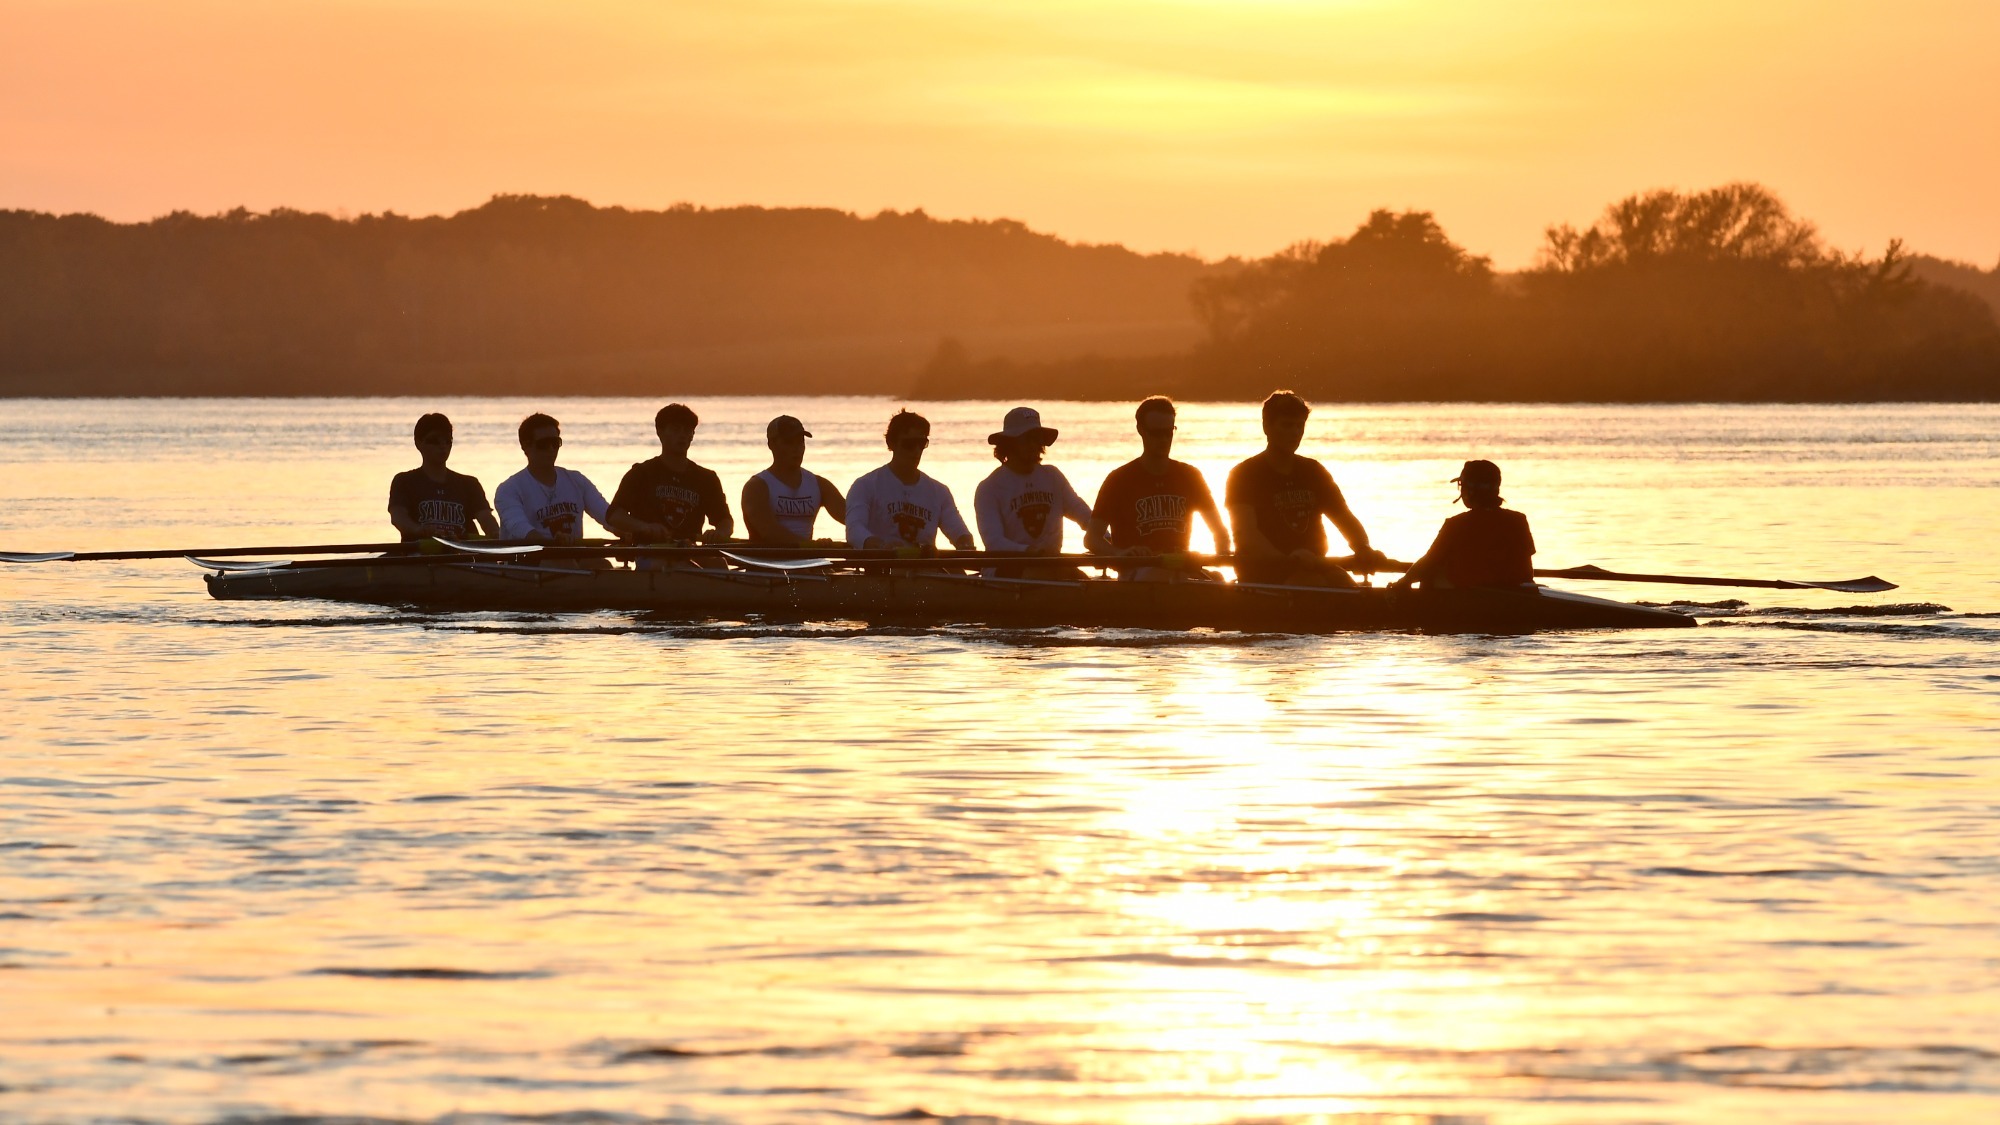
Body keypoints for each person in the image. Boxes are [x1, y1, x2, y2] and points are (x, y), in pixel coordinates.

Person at [1225, 390, 1387, 586]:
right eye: (1287, 425)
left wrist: (1363, 548)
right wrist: (1289, 561)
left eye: (1299, 426)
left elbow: (1344, 517)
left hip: (1315, 566)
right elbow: (1246, 537)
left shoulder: (1314, 471)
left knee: (1344, 583)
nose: (1295, 433)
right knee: (1314, 583)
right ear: (1266, 426)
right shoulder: (1244, 474)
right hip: (1265, 573)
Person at [1091, 396, 1230, 580]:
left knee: (1219, 579)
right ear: (1141, 430)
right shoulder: (1118, 480)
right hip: (1136, 575)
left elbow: (1220, 533)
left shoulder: (1190, 476)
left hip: (1182, 573)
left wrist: (1218, 556)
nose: (1164, 439)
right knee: (1161, 574)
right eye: (1156, 433)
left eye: (1168, 432)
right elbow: (1092, 538)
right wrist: (1119, 553)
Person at [972, 406, 1108, 578]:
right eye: (1027, 439)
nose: (1034, 445)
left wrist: (1108, 542)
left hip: (1051, 567)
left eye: (1037, 439)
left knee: (1083, 582)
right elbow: (994, 543)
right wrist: (1029, 551)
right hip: (1005, 568)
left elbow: (1083, 514)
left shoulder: (1053, 476)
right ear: (1009, 443)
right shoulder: (988, 488)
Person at [1393, 460, 1537, 590]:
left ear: (1469, 491)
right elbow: (1526, 568)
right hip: (1515, 594)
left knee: (1429, 576)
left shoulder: (1456, 524)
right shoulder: (1518, 520)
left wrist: (1403, 582)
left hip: (1471, 598)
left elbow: (1429, 562)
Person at [845, 410, 975, 551]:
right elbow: (854, 529)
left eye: (922, 443)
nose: (916, 451)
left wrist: (965, 543)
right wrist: (880, 545)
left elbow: (959, 532)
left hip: (926, 569)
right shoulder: (865, 486)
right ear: (891, 443)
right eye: (909, 444)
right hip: (882, 567)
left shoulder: (940, 492)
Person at [608, 403, 735, 546]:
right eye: (675, 429)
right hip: (650, 552)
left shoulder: (707, 478)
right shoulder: (641, 473)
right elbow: (614, 515)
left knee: (719, 565)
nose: (682, 435)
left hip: (689, 551)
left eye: (687, 430)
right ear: (660, 432)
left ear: (693, 435)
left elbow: (725, 520)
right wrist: (644, 527)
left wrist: (719, 533)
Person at [494, 413, 614, 544]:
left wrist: (628, 531)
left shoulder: (577, 480)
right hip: (527, 559)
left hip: (572, 556)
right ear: (526, 446)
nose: (551, 449)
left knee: (602, 563)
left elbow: (609, 517)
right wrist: (553, 544)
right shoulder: (508, 490)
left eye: (555, 443)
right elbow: (521, 529)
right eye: (543, 444)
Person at [387, 412, 497, 542]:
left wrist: (496, 534)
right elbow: (398, 517)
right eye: (434, 441)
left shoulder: (469, 484)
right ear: (418, 443)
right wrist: (420, 530)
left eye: (447, 441)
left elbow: (485, 518)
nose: (442, 446)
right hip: (420, 554)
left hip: (463, 555)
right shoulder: (404, 481)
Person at [741, 415, 847, 546]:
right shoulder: (756, 487)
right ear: (771, 444)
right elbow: (769, 532)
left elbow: (854, 520)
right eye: (789, 442)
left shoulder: (820, 485)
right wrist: (813, 546)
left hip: (806, 561)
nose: (796, 448)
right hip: (766, 563)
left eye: (800, 442)